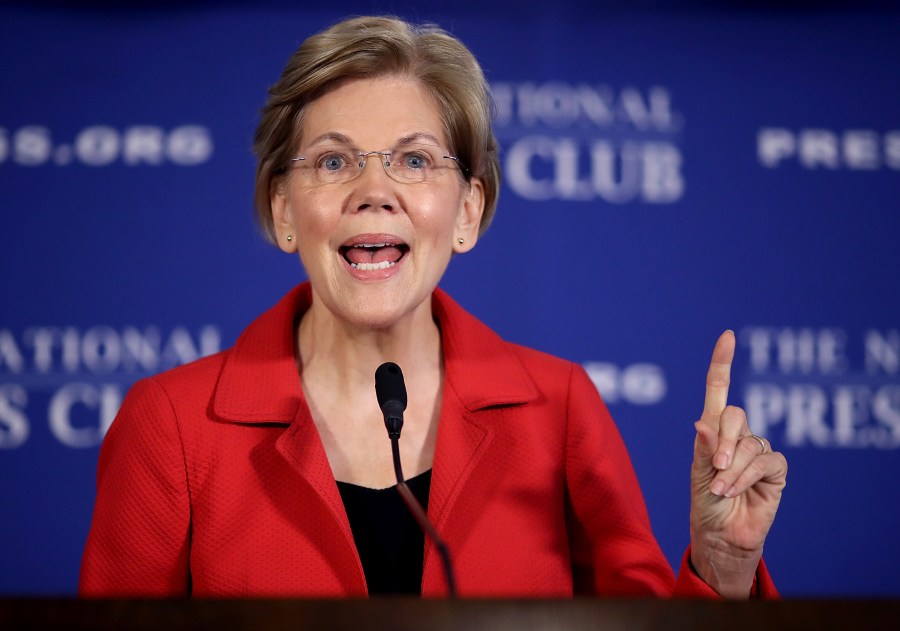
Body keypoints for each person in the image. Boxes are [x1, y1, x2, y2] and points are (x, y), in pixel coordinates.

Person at [79, 15, 787, 598]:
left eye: (414, 160)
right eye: (333, 161)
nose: (373, 188)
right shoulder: (171, 427)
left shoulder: (559, 409)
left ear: (468, 211)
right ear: (283, 209)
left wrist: (723, 569)